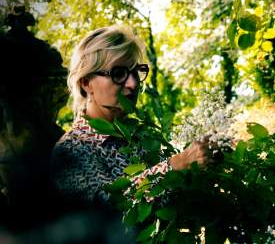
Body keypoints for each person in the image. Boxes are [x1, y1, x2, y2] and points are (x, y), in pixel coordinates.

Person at [50, 25, 212, 209]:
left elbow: (167, 205)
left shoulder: (141, 138)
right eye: (118, 73)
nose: (133, 84)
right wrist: (174, 166)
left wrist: (200, 171)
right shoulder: (71, 150)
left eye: (136, 71)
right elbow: (107, 212)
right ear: (86, 83)